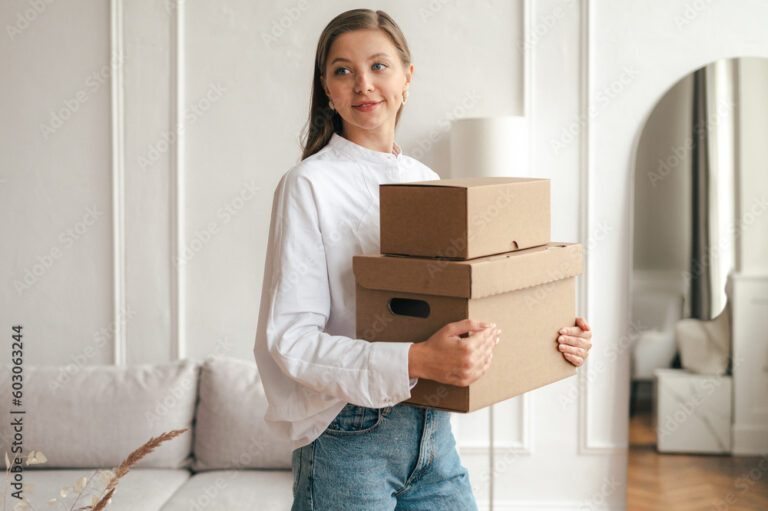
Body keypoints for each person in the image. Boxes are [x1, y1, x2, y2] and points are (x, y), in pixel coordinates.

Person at [253, 8, 594, 510]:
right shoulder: (308, 184)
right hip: (347, 437)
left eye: (379, 66)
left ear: (407, 78)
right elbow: (292, 341)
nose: (363, 84)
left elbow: (463, 306)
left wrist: (553, 335)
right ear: (326, 88)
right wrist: (416, 358)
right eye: (342, 70)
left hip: (433, 430)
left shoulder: (427, 180)